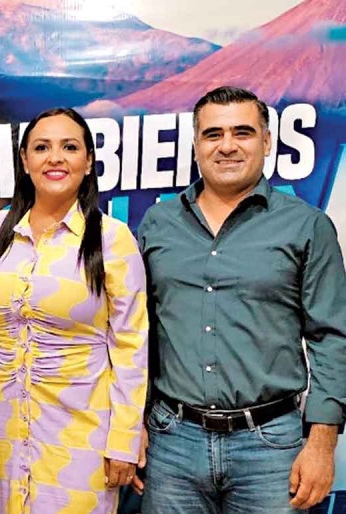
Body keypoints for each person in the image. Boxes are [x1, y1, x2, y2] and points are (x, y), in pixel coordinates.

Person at [137, 86, 346, 513]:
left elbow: (332, 337)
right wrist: (131, 425)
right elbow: (136, 333)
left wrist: (322, 444)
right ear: (196, 145)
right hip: (171, 442)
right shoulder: (158, 223)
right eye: (213, 134)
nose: (227, 145)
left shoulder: (307, 226)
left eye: (242, 132)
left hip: (270, 448)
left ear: (266, 142)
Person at [0, 107, 148, 514]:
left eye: (69, 147)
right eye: (42, 147)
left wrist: (124, 439)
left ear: (88, 162)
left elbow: (131, 345)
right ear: (24, 160)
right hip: (2, 436)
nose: (55, 158)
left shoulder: (111, 238)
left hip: (83, 440)